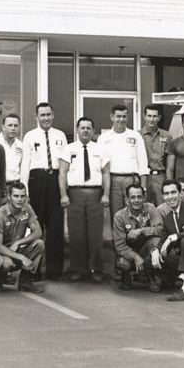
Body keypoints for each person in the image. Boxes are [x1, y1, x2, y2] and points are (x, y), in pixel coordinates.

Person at [59, 117, 111, 282]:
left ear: (93, 131)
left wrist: (106, 194)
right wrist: (63, 194)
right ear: (77, 130)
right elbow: (62, 173)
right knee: (76, 233)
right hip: (75, 193)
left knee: (95, 233)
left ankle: (96, 268)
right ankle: (77, 268)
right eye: (82, 128)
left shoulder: (100, 149)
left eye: (89, 128)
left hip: (96, 193)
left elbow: (105, 173)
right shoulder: (68, 149)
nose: (86, 131)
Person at [20, 102, 67, 280]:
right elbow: (25, 164)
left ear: (53, 115)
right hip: (36, 180)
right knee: (36, 225)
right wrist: (26, 192)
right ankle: (34, 270)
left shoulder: (60, 135)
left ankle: (54, 270)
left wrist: (64, 189)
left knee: (55, 226)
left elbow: (63, 164)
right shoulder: (30, 136)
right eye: (42, 115)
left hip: (55, 180)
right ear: (36, 117)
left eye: (48, 114)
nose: (46, 118)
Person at [97, 104, 149, 225]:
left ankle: (134, 241)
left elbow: (143, 162)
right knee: (116, 214)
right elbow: (100, 165)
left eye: (124, 116)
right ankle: (118, 243)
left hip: (131, 180)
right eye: (118, 116)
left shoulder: (135, 136)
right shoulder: (103, 138)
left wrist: (144, 187)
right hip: (112, 180)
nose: (121, 119)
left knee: (134, 212)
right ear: (112, 117)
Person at [0, 181, 45, 293]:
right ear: (9, 197)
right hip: (1, 254)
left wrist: (18, 243)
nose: (19, 199)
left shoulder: (27, 209)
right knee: (7, 264)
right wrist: (22, 258)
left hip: (16, 249)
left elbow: (38, 232)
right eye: (16, 196)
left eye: (22, 196)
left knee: (39, 244)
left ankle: (25, 281)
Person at [112, 183, 162, 291]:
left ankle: (150, 277)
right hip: (128, 253)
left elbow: (160, 230)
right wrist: (135, 256)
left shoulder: (151, 209)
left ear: (144, 198)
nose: (136, 200)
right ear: (126, 200)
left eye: (139, 197)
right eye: (132, 197)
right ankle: (126, 278)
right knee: (123, 263)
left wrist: (142, 230)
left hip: (146, 249)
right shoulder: (119, 216)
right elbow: (120, 246)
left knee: (156, 241)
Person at [139, 104, 171, 206]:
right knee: (143, 207)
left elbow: (169, 161)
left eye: (154, 116)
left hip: (161, 177)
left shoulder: (166, 136)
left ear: (159, 117)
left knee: (163, 208)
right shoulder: (137, 135)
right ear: (144, 116)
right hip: (144, 178)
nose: (151, 119)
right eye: (149, 116)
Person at [0, 113, 25, 188]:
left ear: (19, 128)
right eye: (10, 125)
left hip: (15, 186)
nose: (13, 128)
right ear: (3, 127)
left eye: (15, 125)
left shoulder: (21, 145)